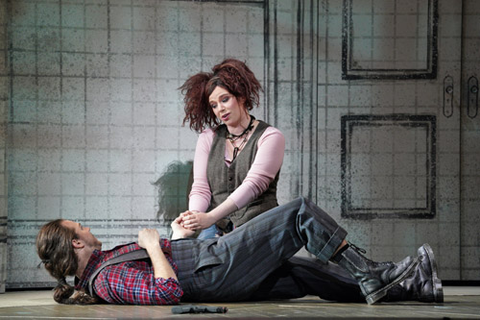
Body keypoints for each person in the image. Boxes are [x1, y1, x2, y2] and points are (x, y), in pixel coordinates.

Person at [36, 197, 443, 305]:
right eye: (80, 228)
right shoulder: (105, 278)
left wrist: (173, 241)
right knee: (297, 213)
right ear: (75, 243)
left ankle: (409, 287)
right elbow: (166, 292)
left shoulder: (105, 269)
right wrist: (150, 245)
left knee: (300, 273)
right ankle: (371, 272)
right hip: (214, 268)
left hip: (206, 265)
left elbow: (163, 273)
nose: (87, 228)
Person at [178, 58, 285, 238]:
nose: (220, 109)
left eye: (225, 99)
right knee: (197, 258)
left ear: (241, 96)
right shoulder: (207, 138)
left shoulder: (270, 137)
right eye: (214, 105)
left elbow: (254, 185)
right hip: (217, 227)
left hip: (258, 226)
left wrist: (210, 217)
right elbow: (201, 187)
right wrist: (194, 217)